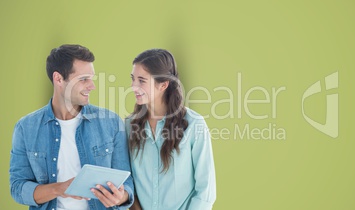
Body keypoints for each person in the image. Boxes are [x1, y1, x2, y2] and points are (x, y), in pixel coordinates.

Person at [9, 44, 134, 210]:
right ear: (59, 79)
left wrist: (120, 197)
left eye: (91, 79)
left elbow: (127, 184)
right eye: (83, 79)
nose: (92, 86)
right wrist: (59, 189)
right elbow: (17, 188)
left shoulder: (111, 123)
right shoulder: (26, 128)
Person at [126, 49, 216, 210]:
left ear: (163, 85)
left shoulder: (194, 124)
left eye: (141, 80)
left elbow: (206, 189)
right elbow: (129, 181)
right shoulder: (128, 125)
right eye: (133, 79)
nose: (133, 86)